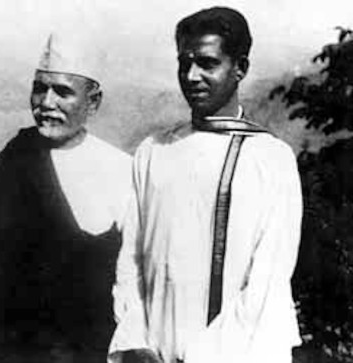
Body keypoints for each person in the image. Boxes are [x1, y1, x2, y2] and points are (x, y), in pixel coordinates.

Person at [109, 7, 303, 363]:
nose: (192, 76)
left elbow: (267, 283)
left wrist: (202, 356)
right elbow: (131, 259)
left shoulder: (270, 159)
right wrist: (136, 340)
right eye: (184, 63)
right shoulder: (153, 152)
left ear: (240, 68)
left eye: (208, 64)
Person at [0, 32, 132, 362]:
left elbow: (132, 273)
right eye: (40, 88)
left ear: (93, 101)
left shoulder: (122, 171)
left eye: (63, 92)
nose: (46, 103)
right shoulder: (12, 160)